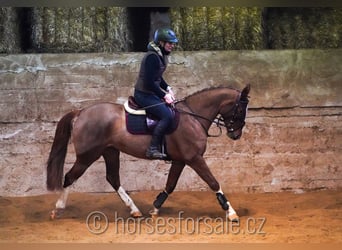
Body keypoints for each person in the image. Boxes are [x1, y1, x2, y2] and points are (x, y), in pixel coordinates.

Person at [134, 28, 178, 159]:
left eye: (173, 43)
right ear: (160, 43)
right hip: (143, 95)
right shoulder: (152, 57)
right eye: (169, 43)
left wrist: (168, 88)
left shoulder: (160, 56)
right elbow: (149, 82)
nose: (172, 45)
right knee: (167, 116)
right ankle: (152, 148)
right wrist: (164, 95)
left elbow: (157, 78)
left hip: (150, 93)